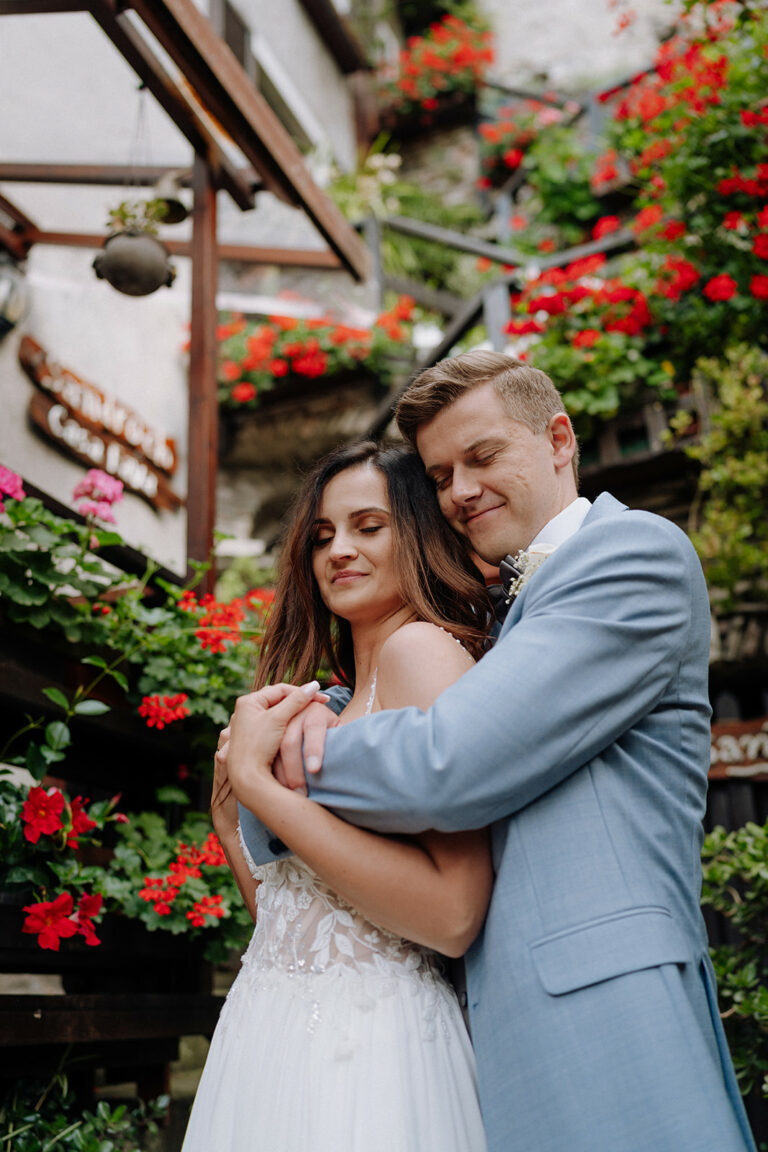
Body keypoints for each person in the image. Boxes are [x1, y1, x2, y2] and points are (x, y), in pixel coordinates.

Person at [239, 351, 757, 1152]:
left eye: (482, 457)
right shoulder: (508, 608)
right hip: (485, 1015)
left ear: (559, 441)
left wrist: (275, 767)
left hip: (601, 1002)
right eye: (442, 475)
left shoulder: (631, 556)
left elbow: (452, 757)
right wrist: (324, 708)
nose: (461, 490)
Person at [181, 441, 493, 1152]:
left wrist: (262, 786)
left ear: (416, 531)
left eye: (368, 526)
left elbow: (451, 916)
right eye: (321, 536)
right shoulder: (320, 702)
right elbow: (300, 927)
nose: (338, 551)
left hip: (373, 1047)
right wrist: (231, 826)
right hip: (267, 1030)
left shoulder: (423, 653)